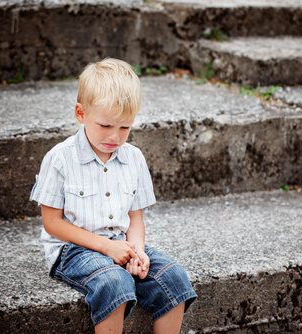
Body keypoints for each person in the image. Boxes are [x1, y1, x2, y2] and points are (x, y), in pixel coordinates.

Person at [30, 58, 197, 333]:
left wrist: (138, 251)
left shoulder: (133, 158)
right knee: (114, 281)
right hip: (74, 249)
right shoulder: (60, 158)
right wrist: (107, 248)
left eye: (125, 128)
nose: (115, 137)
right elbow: (53, 224)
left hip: (121, 243)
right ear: (81, 113)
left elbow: (135, 217)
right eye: (106, 126)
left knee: (174, 277)